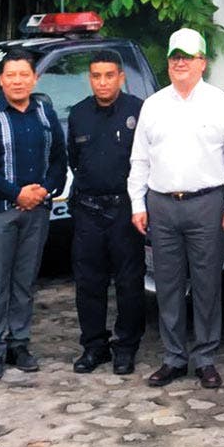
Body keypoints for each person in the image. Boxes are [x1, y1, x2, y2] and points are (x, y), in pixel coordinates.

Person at [128, 28, 224, 389]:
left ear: (202, 62)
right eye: (174, 57)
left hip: (206, 203)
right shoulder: (153, 105)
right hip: (161, 204)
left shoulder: (222, 105)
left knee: (208, 284)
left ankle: (205, 358)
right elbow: (140, 159)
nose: (180, 63)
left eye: (187, 57)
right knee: (167, 284)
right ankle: (173, 357)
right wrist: (137, 203)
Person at [0, 49, 67, 381]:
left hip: (37, 211)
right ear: (1, 80)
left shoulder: (45, 114)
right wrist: (16, 193)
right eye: (11, 75)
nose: (18, 81)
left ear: (35, 79)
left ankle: (19, 344)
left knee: (25, 281)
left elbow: (59, 160)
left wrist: (44, 190)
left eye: (24, 75)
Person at [67, 51, 146, 376]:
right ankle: (94, 346)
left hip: (124, 209)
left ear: (121, 77)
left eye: (109, 75)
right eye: (96, 76)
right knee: (89, 282)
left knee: (129, 283)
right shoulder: (78, 113)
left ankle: (126, 347)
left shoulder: (138, 110)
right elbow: (74, 159)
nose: (102, 82)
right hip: (88, 209)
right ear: (90, 78)